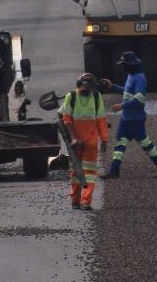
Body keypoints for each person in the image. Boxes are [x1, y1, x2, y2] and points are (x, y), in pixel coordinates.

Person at [100, 52, 157, 179]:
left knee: (142, 144)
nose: (122, 67)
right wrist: (113, 86)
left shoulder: (139, 78)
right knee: (125, 143)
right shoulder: (131, 76)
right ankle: (115, 170)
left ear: (130, 65)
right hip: (128, 118)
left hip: (134, 119)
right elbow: (127, 91)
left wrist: (121, 106)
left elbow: (139, 98)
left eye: (124, 65)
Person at [62, 73, 108, 210]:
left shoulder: (92, 96)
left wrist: (104, 139)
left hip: (87, 141)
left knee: (86, 171)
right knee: (78, 171)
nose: (85, 92)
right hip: (78, 141)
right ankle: (78, 201)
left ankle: (84, 201)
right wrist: (74, 138)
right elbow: (67, 119)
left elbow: (100, 119)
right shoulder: (72, 97)